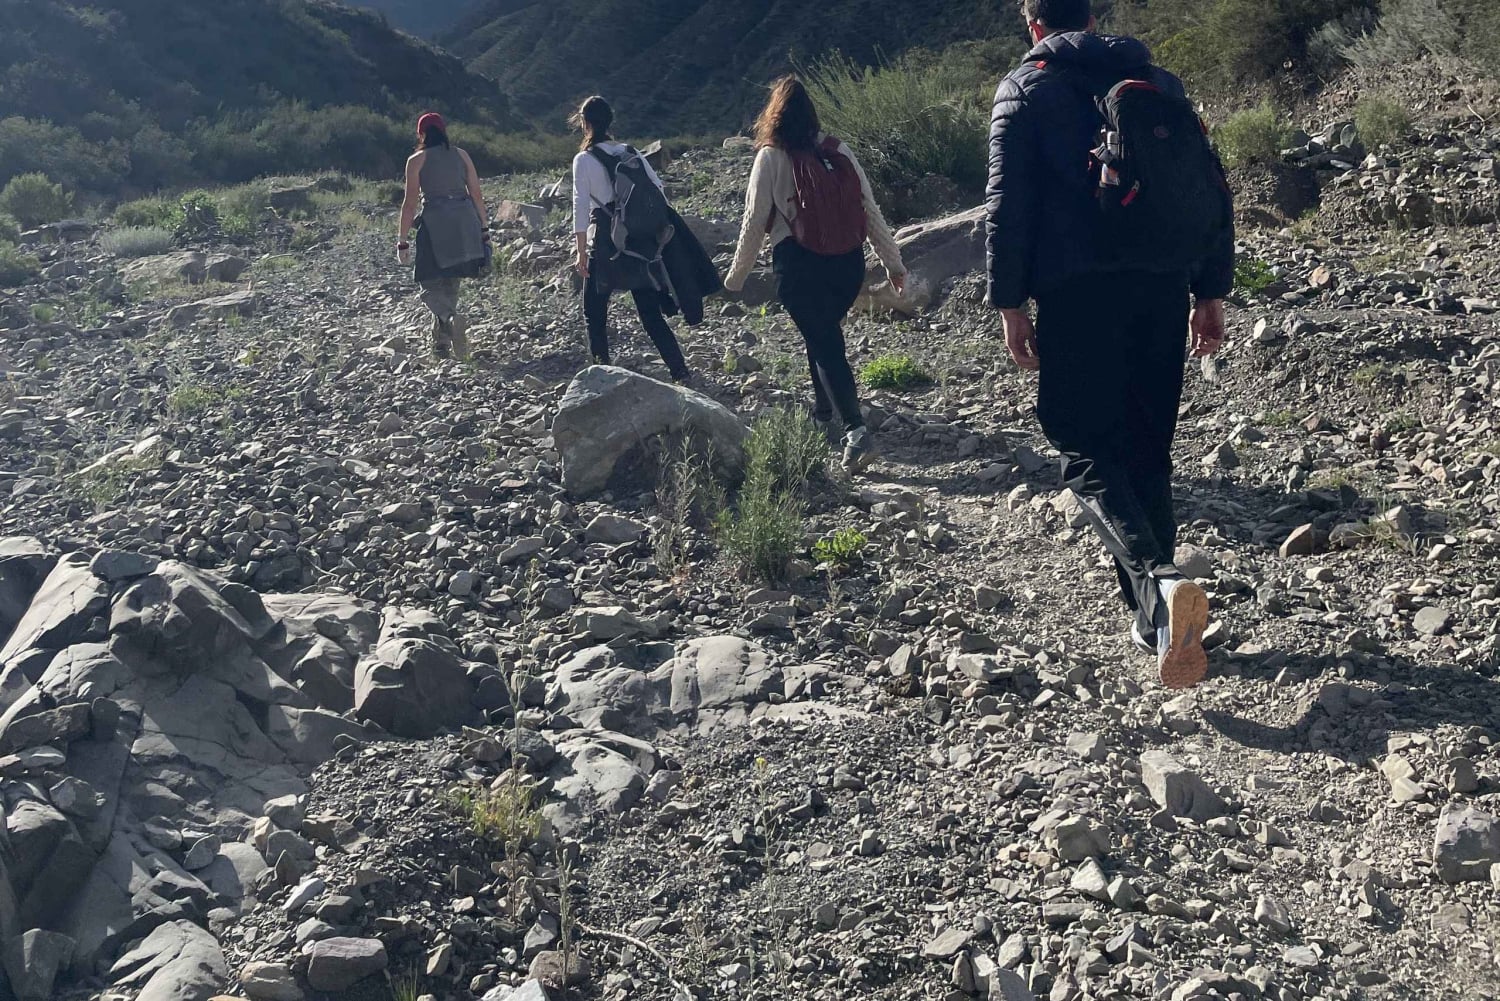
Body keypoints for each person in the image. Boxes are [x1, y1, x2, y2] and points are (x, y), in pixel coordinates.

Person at [985, 0, 1234, 689]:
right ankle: (1157, 624)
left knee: (1081, 443)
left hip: (1077, 295)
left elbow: (1008, 206)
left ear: (1033, 22)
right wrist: (1210, 290)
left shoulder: (1024, 87)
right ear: (1092, 18)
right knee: (1147, 447)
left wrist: (1009, 303)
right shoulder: (1157, 80)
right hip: (1161, 285)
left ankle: (1159, 581)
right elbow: (1209, 187)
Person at [725, 76, 907, 473]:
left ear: (772, 114)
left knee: (825, 343)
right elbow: (869, 209)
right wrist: (893, 264)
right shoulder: (838, 150)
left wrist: (735, 279)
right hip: (848, 264)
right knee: (821, 334)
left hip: (799, 263)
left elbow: (754, 222)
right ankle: (824, 415)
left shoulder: (770, 156)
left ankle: (856, 432)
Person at [571, 96, 693, 383]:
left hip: (605, 239)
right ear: (609, 121)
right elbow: (658, 190)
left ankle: (601, 375)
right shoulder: (630, 152)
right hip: (637, 240)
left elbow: (580, 206)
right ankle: (680, 371)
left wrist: (580, 251)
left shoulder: (583, 160)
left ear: (585, 123)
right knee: (650, 314)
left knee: (594, 313)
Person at [398, 112, 490, 361]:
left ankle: (449, 319)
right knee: (451, 281)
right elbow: (476, 194)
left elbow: (410, 203)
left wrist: (402, 241)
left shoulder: (416, 160)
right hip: (465, 221)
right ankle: (441, 344)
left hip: (436, 222)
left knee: (428, 282)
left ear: (421, 134)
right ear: (443, 131)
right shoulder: (462, 155)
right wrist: (484, 228)